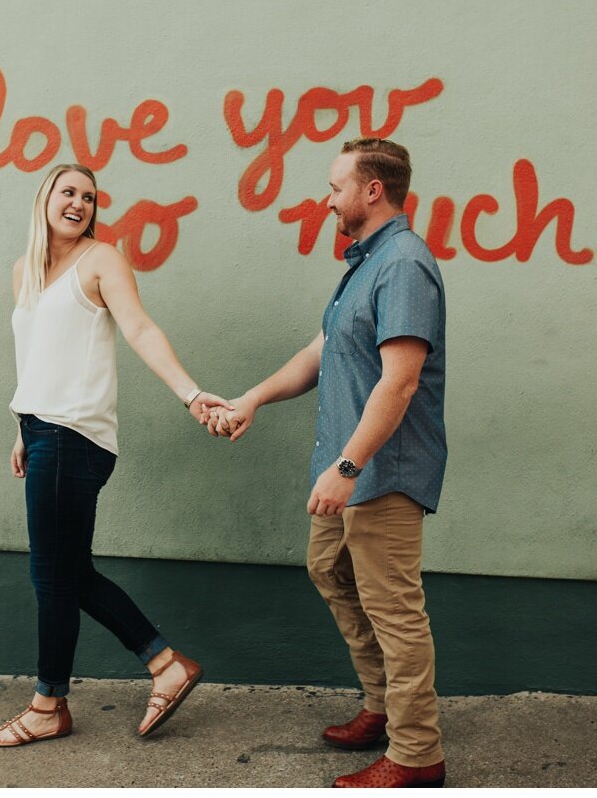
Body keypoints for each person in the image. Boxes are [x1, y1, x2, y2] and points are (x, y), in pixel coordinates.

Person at [205, 138, 448, 788]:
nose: (327, 196)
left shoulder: (403, 264)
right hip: (349, 466)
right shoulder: (364, 264)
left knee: (394, 607)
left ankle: (417, 753)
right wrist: (253, 396)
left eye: (336, 184)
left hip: (381, 469)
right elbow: (321, 353)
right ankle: (381, 703)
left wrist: (346, 467)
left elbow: (398, 382)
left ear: (373, 190)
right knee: (329, 567)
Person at [0, 163, 227, 748]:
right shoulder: (24, 271)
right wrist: (23, 425)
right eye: (68, 192)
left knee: (52, 576)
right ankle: (164, 663)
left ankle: (48, 705)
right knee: (67, 573)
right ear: (45, 197)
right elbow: (36, 354)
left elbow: (139, 328)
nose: (79, 204)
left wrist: (191, 395)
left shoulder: (102, 260)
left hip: (75, 435)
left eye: (88, 197)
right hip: (43, 430)